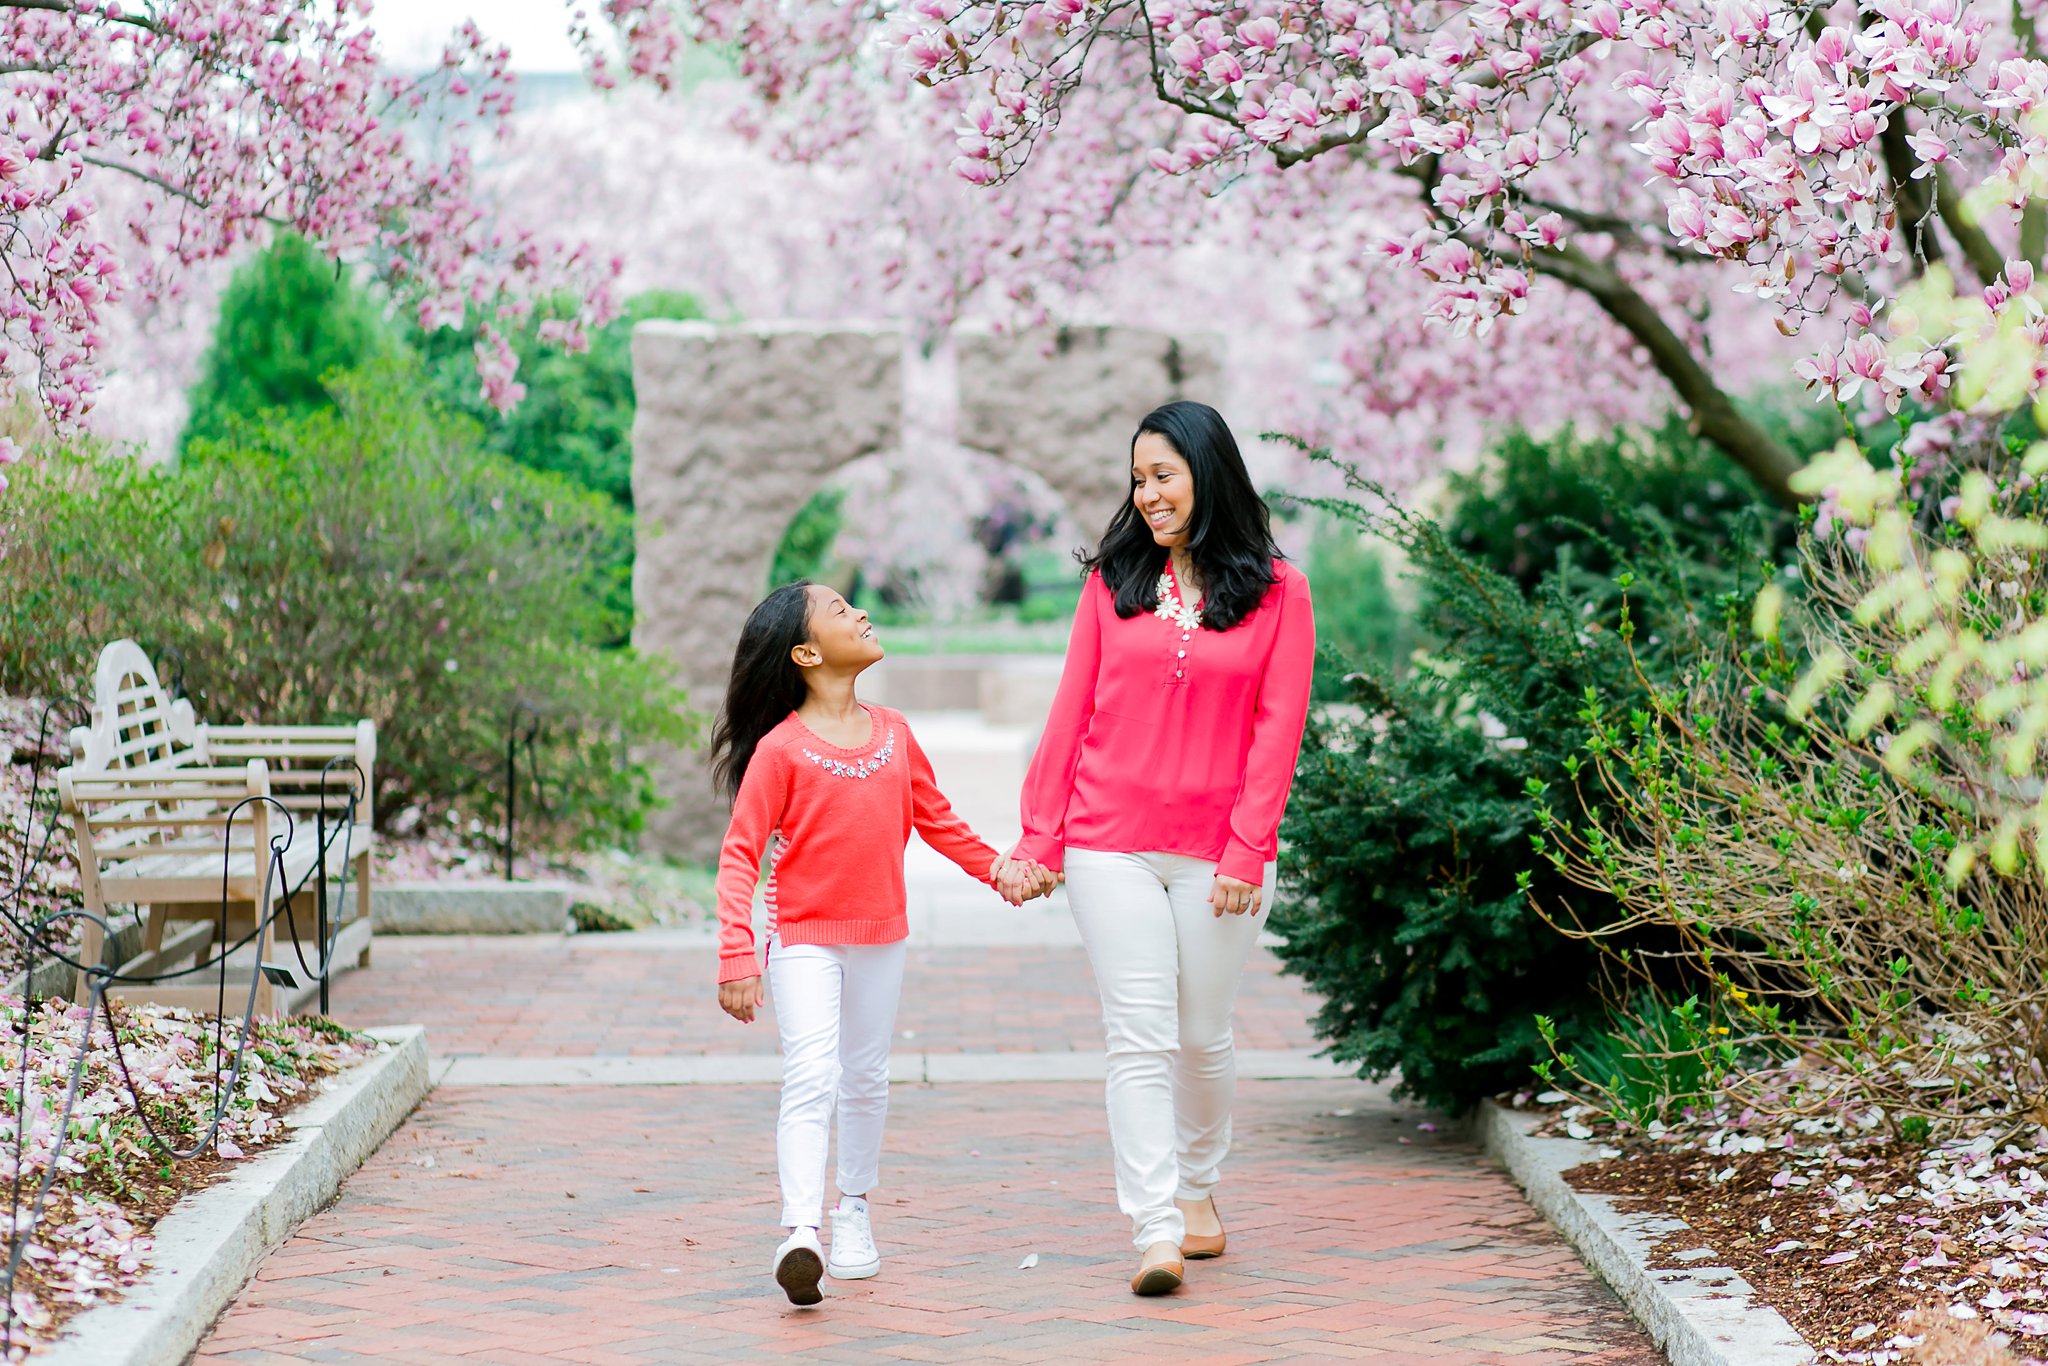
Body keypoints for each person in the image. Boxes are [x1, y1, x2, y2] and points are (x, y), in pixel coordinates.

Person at [1008, 400, 1315, 1296]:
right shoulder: (1112, 582)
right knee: (1138, 1038)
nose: (1146, 495)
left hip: (1220, 851)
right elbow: (1071, 713)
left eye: (1163, 476)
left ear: (1207, 474)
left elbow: (1278, 727)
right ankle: (1155, 1228)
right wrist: (1041, 837)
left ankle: (1197, 1190)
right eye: (1137, 479)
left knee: (1202, 1036)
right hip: (1112, 842)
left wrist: (1248, 849)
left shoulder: (1278, 591)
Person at [709, 581, 1053, 1307]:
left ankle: (852, 1211)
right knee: (812, 1074)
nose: (860, 614)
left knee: (865, 1076)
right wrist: (738, 953)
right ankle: (800, 1231)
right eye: (840, 611)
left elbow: (938, 819)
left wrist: (1001, 871)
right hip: (803, 937)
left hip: (881, 937)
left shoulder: (894, 731)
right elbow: (741, 855)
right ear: (806, 653)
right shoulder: (780, 750)